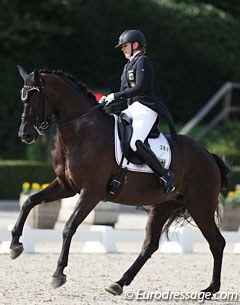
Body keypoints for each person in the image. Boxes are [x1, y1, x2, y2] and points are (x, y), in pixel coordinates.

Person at [102, 29, 174, 194]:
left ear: (136, 45)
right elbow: (122, 92)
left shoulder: (143, 61)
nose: (122, 49)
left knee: (135, 142)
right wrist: (107, 102)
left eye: (125, 45)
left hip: (146, 107)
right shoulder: (127, 65)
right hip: (132, 109)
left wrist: (116, 95)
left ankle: (165, 174)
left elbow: (140, 88)